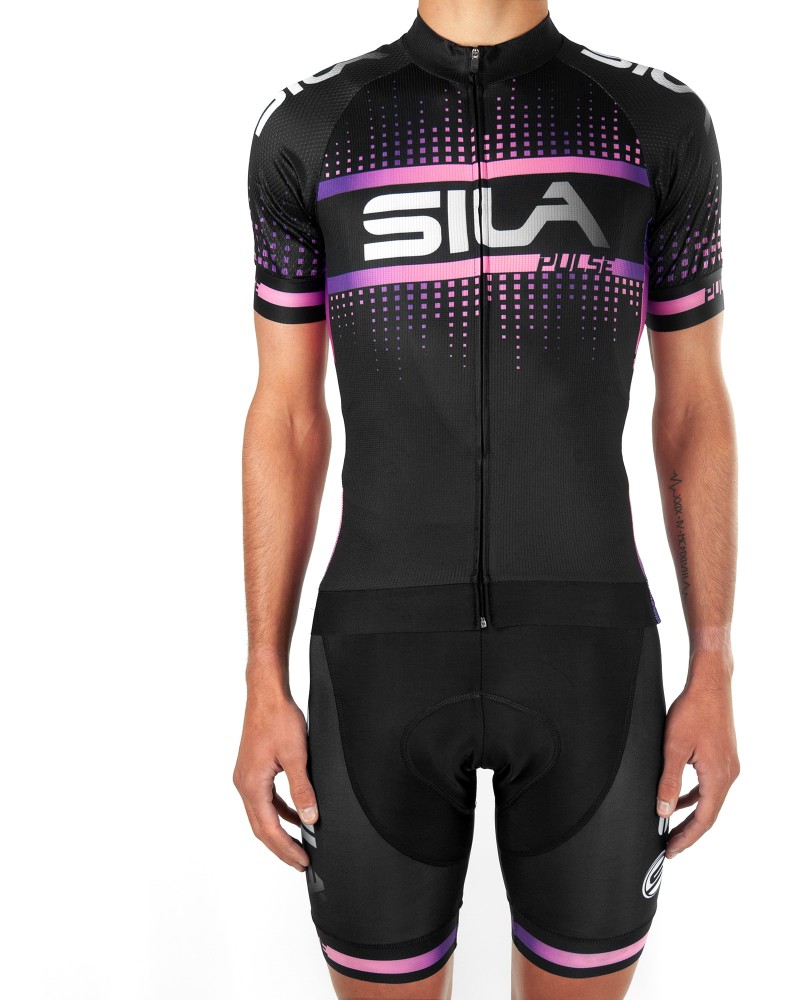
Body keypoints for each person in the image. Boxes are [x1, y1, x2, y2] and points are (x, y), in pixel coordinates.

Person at [233, 1, 740, 997]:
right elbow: (285, 416)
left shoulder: (653, 121)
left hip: (590, 658)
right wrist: (261, 675)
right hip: (378, 656)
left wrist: (714, 662)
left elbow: (693, 412)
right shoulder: (313, 127)